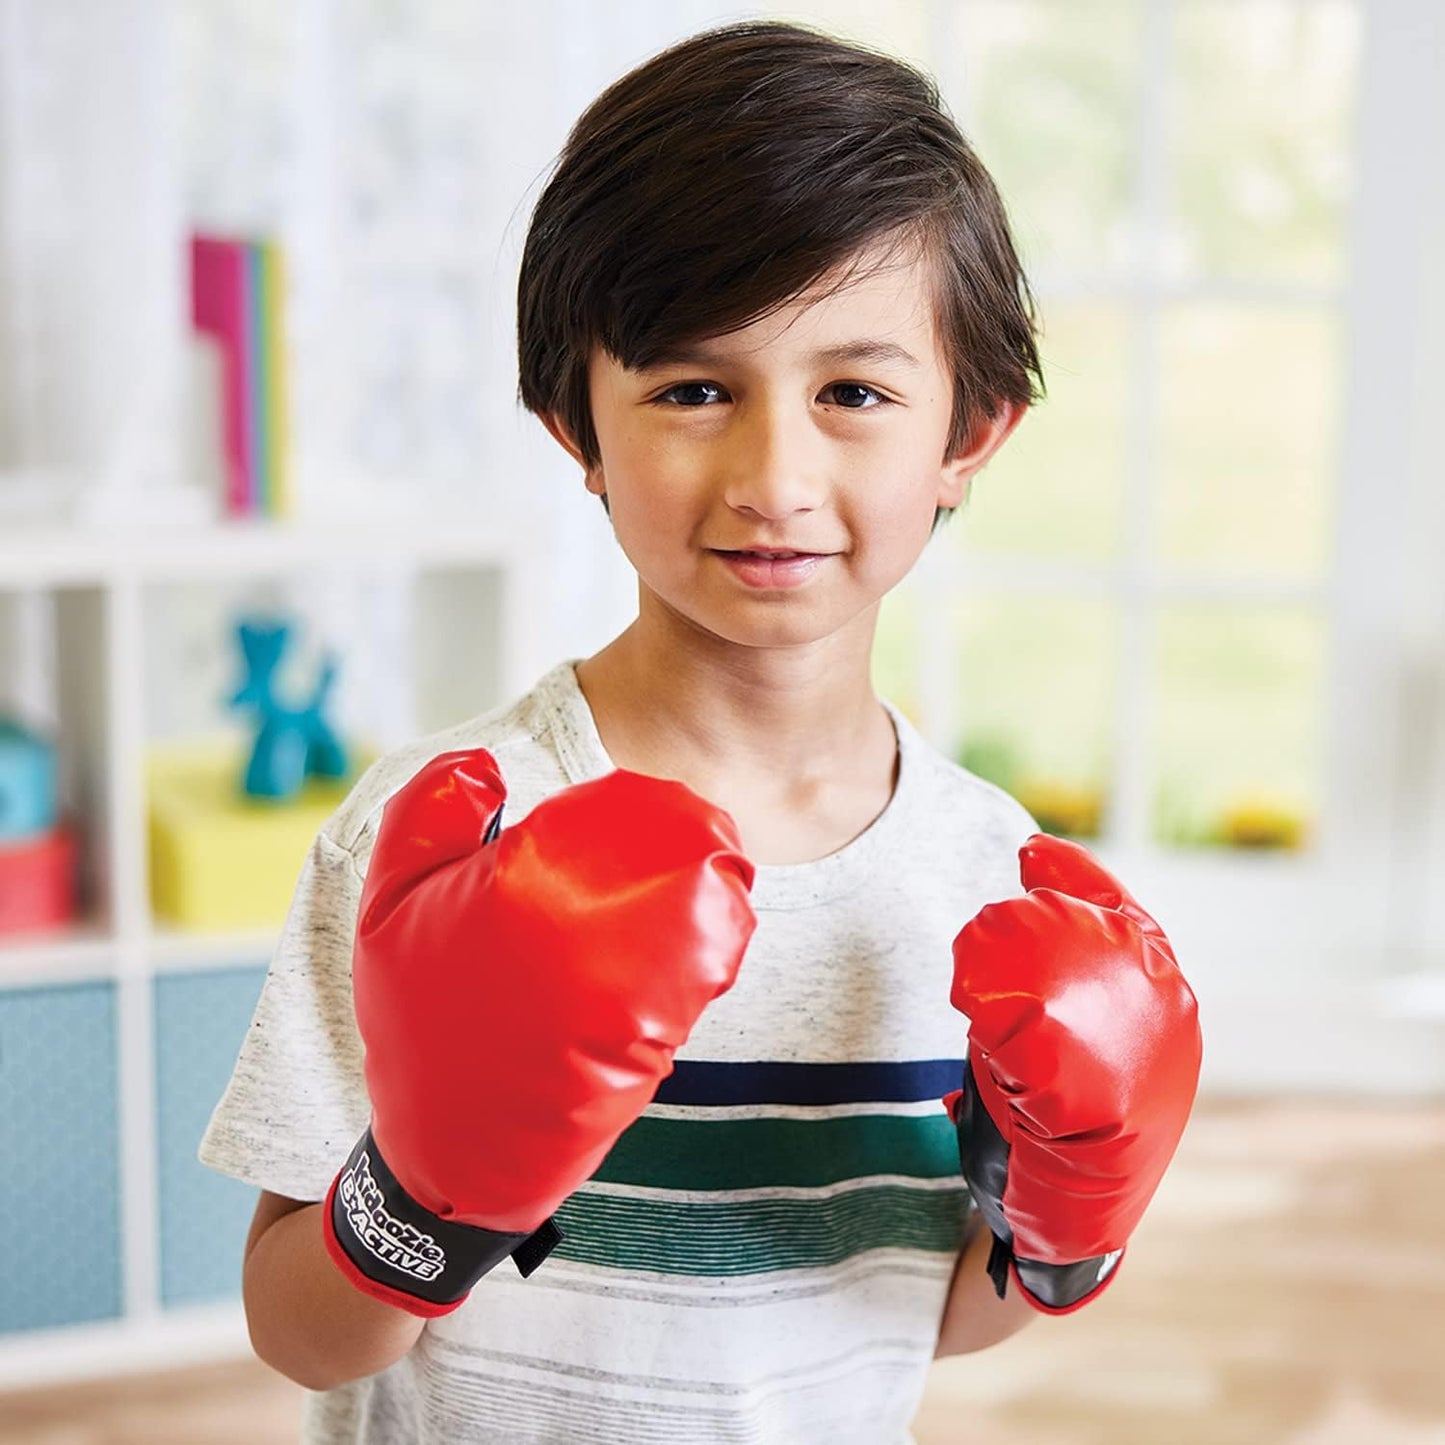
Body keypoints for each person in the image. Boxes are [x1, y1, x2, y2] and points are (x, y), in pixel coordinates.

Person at [201, 19, 1200, 1444]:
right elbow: (296, 1333)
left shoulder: (989, 878)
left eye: (853, 392)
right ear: (576, 426)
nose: (772, 476)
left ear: (970, 434)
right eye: (691, 390)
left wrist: (1062, 1225)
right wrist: (428, 1192)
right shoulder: (452, 824)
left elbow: (941, 1318)